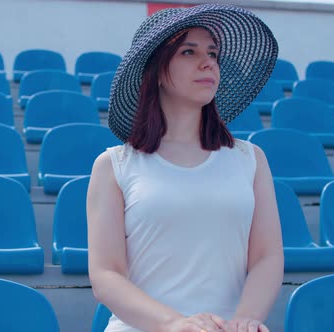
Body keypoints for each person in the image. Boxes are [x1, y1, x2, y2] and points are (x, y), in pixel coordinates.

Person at [87, 4, 284, 332]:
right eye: (188, 52)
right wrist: (175, 324)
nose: (208, 62)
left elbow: (267, 256)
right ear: (157, 71)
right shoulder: (113, 166)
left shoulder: (251, 159)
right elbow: (106, 275)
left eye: (213, 53)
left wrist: (245, 320)